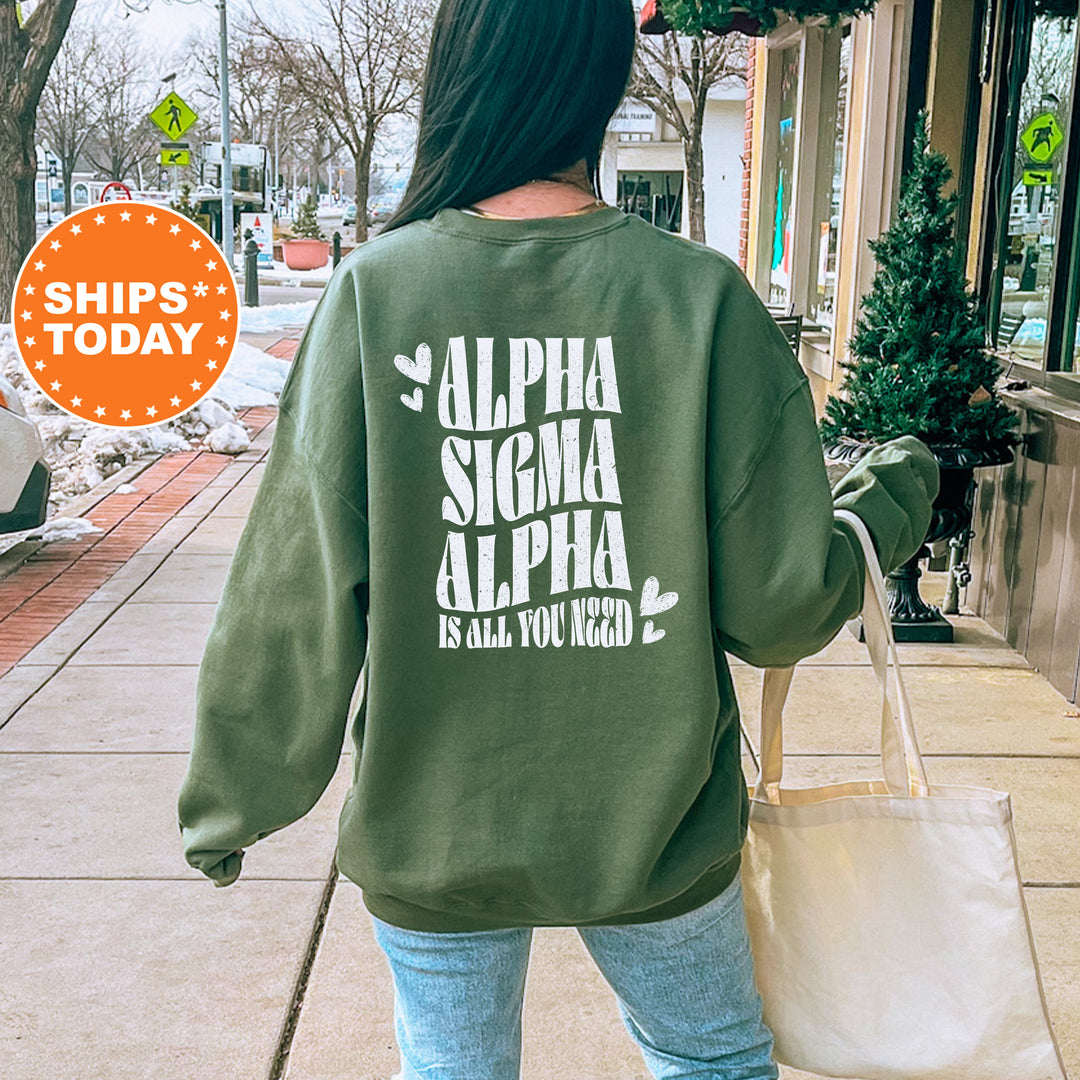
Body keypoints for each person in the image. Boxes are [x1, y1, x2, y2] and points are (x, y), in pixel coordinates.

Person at [177, 1, 940, 1077]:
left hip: (434, 826)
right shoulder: (699, 301)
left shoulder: (375, 298)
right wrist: (895, 492)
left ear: (458, 78)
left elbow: (290, 598)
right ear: (597, 83)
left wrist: (233, 800)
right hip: (656, 822)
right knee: (711, 1058)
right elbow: (779, 608)